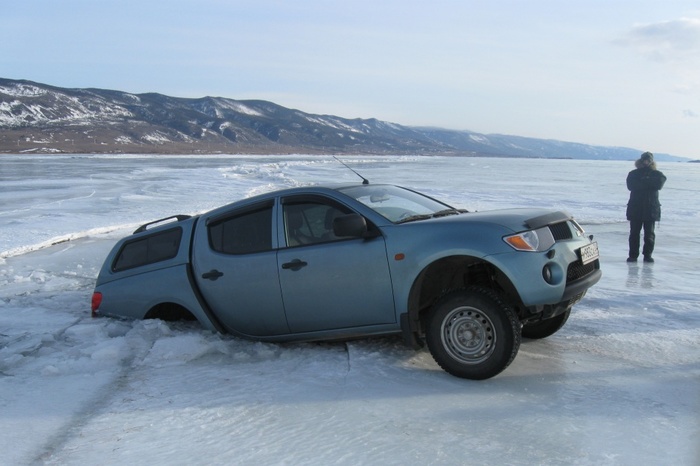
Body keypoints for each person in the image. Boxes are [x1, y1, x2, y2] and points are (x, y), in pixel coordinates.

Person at [626, 151, 666, 263]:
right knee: (634, 233)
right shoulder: (633, 174)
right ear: (641, 160)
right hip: (636, 208)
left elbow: (659, 185)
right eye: (644, 160)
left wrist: (643, 182)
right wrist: (648, 183)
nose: (646, 162)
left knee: (649, 234)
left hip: (651, 209)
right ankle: (633, 255)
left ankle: (647, 255)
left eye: (648, 160)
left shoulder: (658, 174)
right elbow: (631, 186)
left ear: (651, 161)